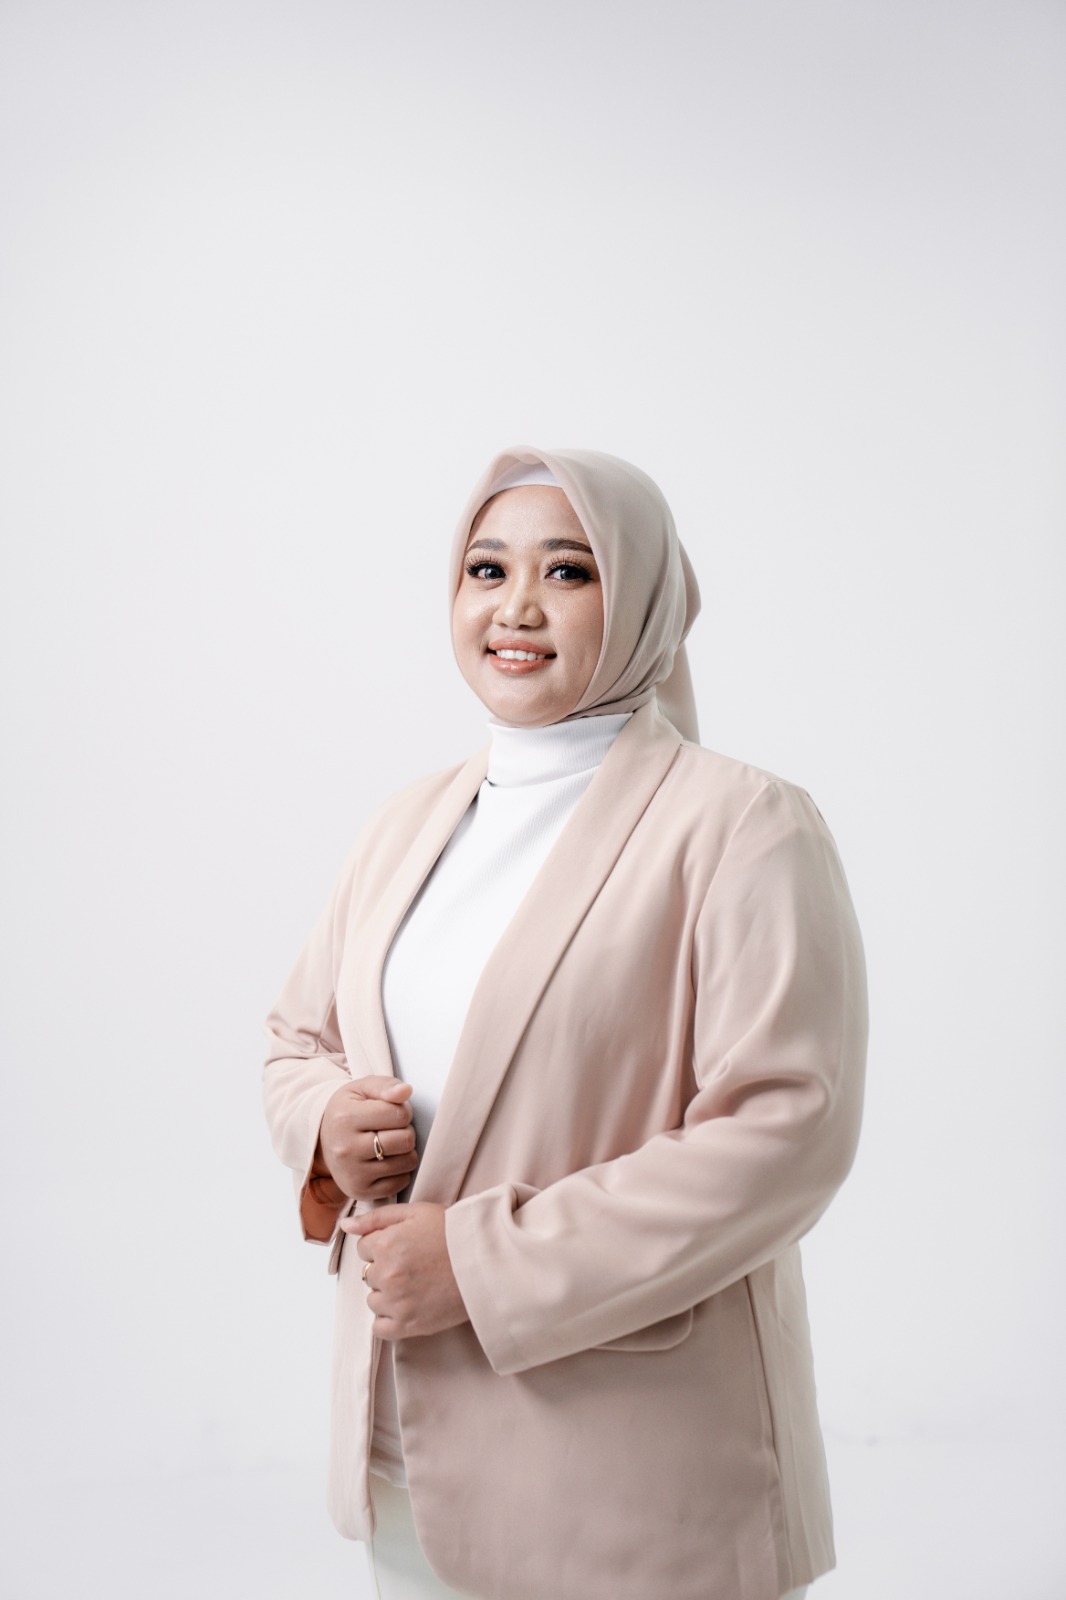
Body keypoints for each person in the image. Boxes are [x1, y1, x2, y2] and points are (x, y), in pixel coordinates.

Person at [263, 447, 867, 1600]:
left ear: (641, 597)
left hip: (634, 1475)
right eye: (486, 569)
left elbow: (785, 1134)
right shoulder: (404, 824)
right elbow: (298, 1038)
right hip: (408, 1460)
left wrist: (479, 1262)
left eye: (569, 570)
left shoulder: (742, 825)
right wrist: (330, 1124)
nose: (517, 607)